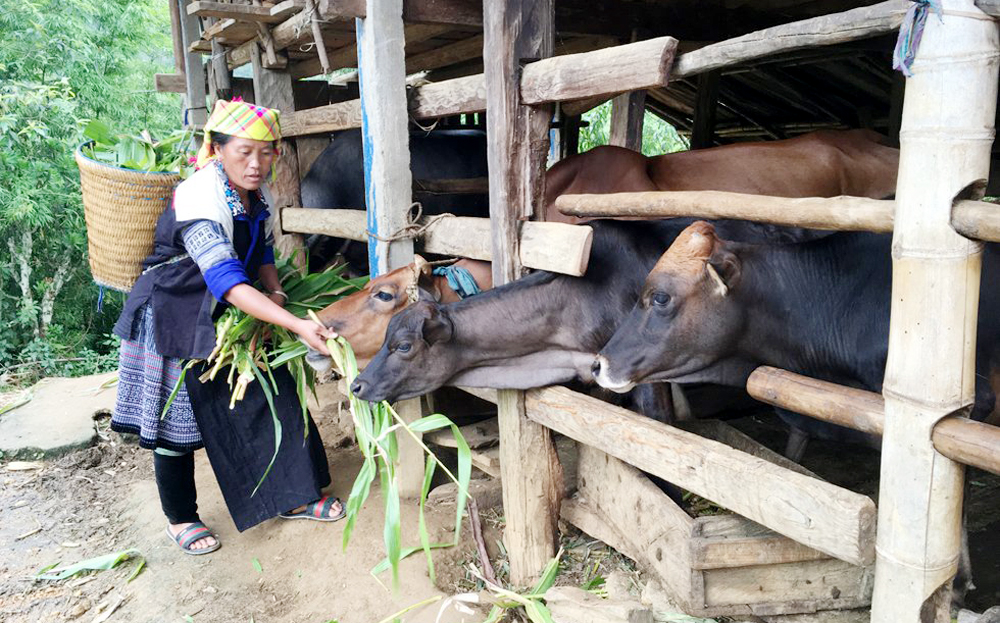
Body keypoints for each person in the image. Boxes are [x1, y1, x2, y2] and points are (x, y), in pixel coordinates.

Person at [110, 99, 343, 555]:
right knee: (176, 422)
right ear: (217, 150)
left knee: (270, 393)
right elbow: (227, 281)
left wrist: (275, 293)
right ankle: (180, 518)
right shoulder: (200, 194)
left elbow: (262, 253)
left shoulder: (258, 193)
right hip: (173, 309)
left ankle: (291, 496)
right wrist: (294, 322)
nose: (256, 164)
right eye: (244, 152)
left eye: (266, 152)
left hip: (231, 307)